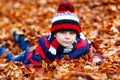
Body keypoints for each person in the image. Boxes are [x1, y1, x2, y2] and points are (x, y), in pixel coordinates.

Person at [0, 1, 103, 71]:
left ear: (77, 35)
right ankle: (3, 49)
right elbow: (31, 63)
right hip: (29, 54)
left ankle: (19, 37)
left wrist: (94, 61)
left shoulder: (81, 44)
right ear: (55, 34)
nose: (67, 37)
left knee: (27, 45)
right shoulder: (45, 46)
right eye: (63, 32)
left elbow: (95, 54)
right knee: (14, 58)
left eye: (72, 33)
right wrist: (40, 72)